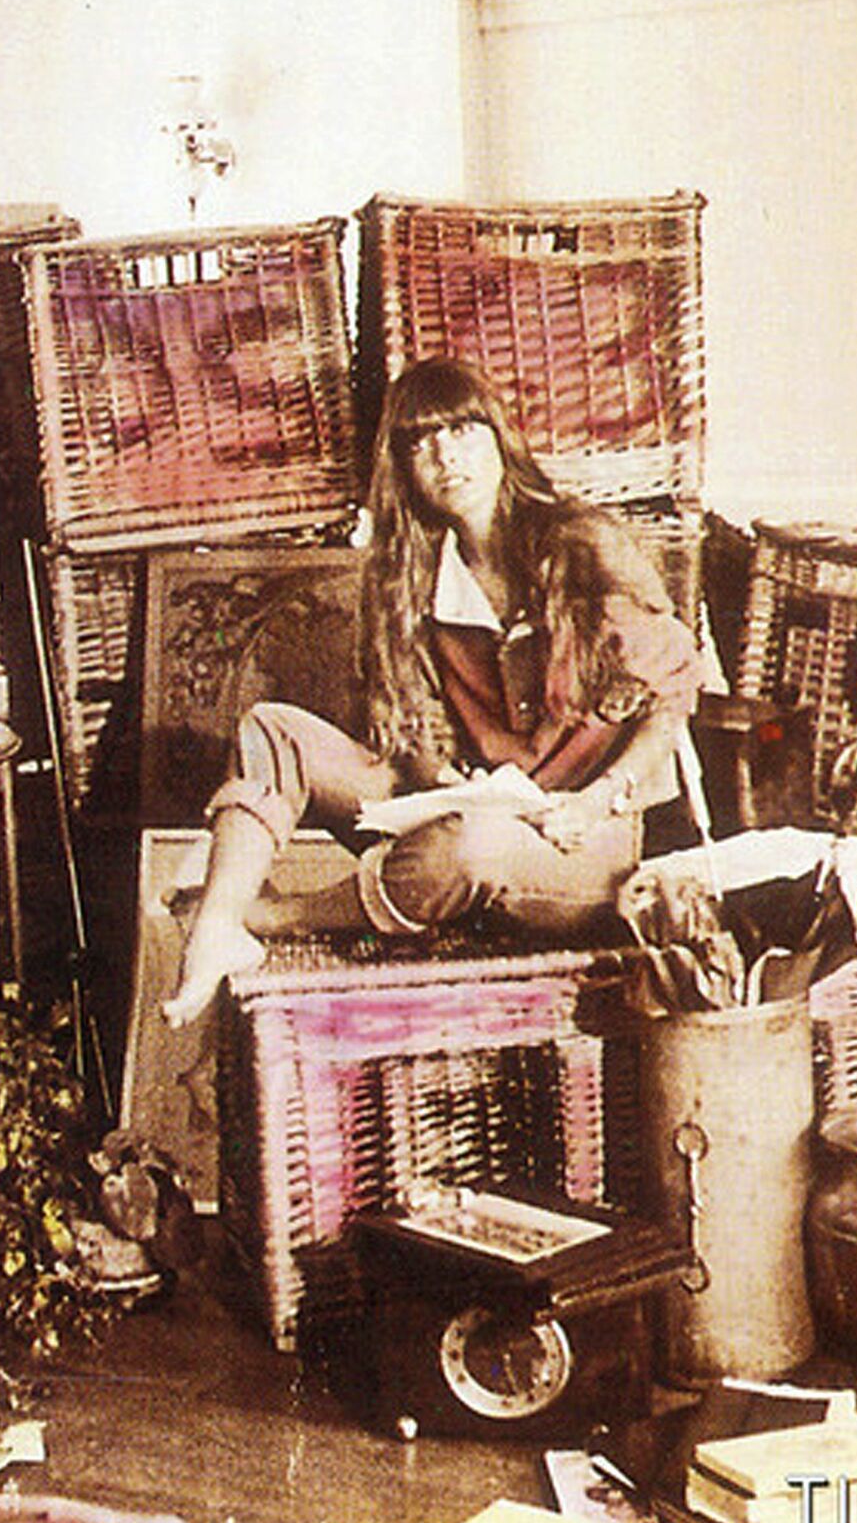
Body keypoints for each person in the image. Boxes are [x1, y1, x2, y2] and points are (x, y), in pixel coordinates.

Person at [162, 355, 702, 1027]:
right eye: (422, 443)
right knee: (274, 731)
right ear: (403, 470)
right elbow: (412, 732)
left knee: (469, 847)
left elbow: (673, 698)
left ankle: (275, 914)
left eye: (463, 431)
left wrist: (599, 800)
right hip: (478, 806)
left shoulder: (580, 544)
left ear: (500, 438)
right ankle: (218, 929)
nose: (447, 457)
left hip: (585, 841)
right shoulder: (408, 579)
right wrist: (446, 778)